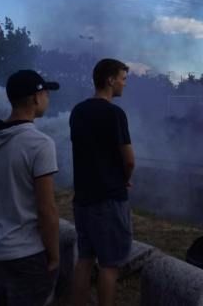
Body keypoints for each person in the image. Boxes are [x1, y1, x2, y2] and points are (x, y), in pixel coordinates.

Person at [0, 70, 60, 305]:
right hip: (27, 254)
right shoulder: (39, 144)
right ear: (35, 98)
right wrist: (54, 255)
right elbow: (47, 210)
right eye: (45, 93)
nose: (47, 98)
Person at [70, 59, 135, 306]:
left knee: (84, 260)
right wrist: (124, 180)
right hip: (108, 201)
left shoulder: (78, 111)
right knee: (109, 265)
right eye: (123, 78)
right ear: (110, 80)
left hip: (82, 200)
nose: (124, 84)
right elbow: (129, 161)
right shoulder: (115, 114)